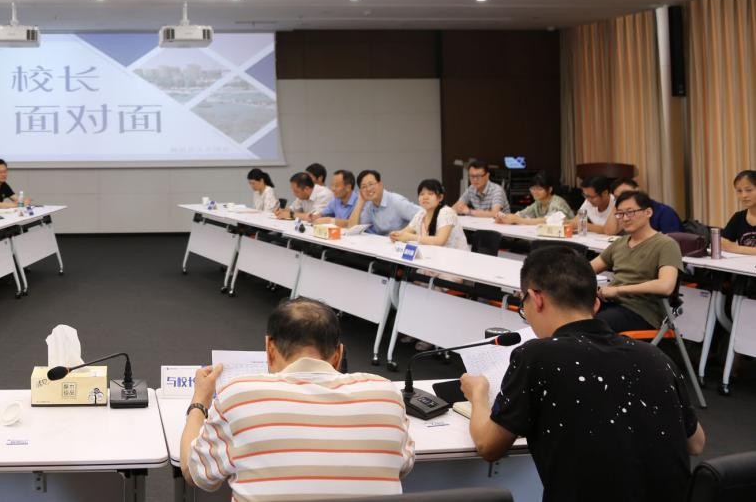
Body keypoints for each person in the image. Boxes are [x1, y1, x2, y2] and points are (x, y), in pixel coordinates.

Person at [461, 246, 704, 502]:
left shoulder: (536, 356)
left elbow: (488, 446)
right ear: (596, 304)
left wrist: (478, 393)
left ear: (536, 298)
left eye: (523, 306)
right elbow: (696, 443)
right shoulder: (656, 357)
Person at [181, 297, 413, 498]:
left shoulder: (238, 395)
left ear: (269, 349)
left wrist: (199, 401)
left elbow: (194, 473)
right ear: (338, 355)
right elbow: (403, 466)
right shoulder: (387, 395)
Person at [590, 190, 683, 332]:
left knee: (594, 325)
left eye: (630, 212)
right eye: (620, 214)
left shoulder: (666, 244)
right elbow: (587, 269)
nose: (625, 218)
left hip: (641, 311)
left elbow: (666, 286)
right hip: (611, 303)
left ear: (648, 212)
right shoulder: (620, 243)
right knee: (571, 316)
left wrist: (618, 290)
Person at [390, 179, 469, 251]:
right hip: (432, 255)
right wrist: (396, 235)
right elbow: (405, 232)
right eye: (422, 194)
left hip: (454, 257)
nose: (425, 197)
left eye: (430, 194)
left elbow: (440, 241)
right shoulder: (421, 214)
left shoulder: (446, 212)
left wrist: (411, 237)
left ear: (440, 197)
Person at [343, 170, 420, 235]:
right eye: (364, 187)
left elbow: (423, 214)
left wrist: (405, 233)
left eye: (371, 184)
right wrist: (360, 202)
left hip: (402, 244)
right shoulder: (370, 206)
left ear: (380, 185)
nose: (368, 189)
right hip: (385, 244)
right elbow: (351, 229)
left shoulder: (397, 202)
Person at [494, 173, 574, 225]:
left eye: (539, 189)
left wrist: (518, 220)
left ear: (550, 189)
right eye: (533, 188)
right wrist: (503, 217)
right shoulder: (538, 202)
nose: (535, 192)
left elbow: (549, 221)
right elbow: (521, 214)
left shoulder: (557, 203)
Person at [611, 177, 684, 234]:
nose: (622, 199)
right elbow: (610, 232)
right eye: (617, 197)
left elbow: (673, 242)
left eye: (625, 193)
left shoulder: (665, 212)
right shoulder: (623, 215)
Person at [721, 170, 756, 254]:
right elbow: (722, 243)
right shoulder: (738, 217)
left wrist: (735, 248)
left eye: (749, 190)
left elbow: (730, 247)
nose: (744, 195)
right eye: (739, 191)